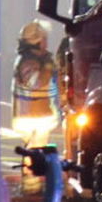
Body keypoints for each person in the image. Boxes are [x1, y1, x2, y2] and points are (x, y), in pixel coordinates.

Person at [12, 20, 60, 189]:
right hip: (32, 116)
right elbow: (35, 83)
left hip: (39, 114)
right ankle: (31, 185)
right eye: (44, 39)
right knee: (34, 151)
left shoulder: (39, 59)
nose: (46, 43)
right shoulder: (28, 62)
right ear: (37, 41)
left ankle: (34, 183)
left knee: (36, 150)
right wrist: (48, 68)